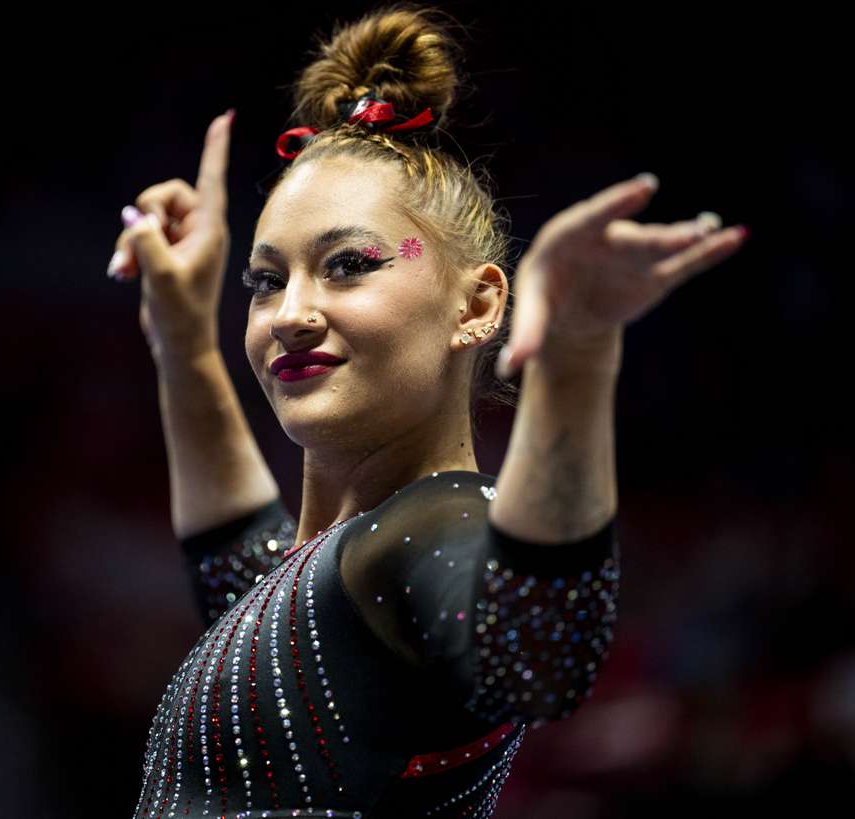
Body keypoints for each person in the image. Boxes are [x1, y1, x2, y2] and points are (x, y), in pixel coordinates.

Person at [106, 5, 747, 817]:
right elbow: (252, 581)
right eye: (266, 279)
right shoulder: (339, 572)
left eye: (348, 265)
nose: (291, 312)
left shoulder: (433, 524)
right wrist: (183, 340)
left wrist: (575, 358)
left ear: (476, 304)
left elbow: (537, 652)